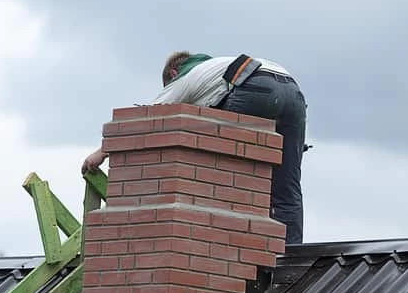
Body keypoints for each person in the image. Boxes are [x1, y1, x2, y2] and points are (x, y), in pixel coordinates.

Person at [81, 51, 307, 245]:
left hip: (254, 87)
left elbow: (148, 118)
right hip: (293, 95)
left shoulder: (186, 75)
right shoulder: (214, 69)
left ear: (172, 74)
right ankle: (291, 255)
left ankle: (228, 239)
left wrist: (101, 153)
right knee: (287, 187)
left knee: (219, 165)